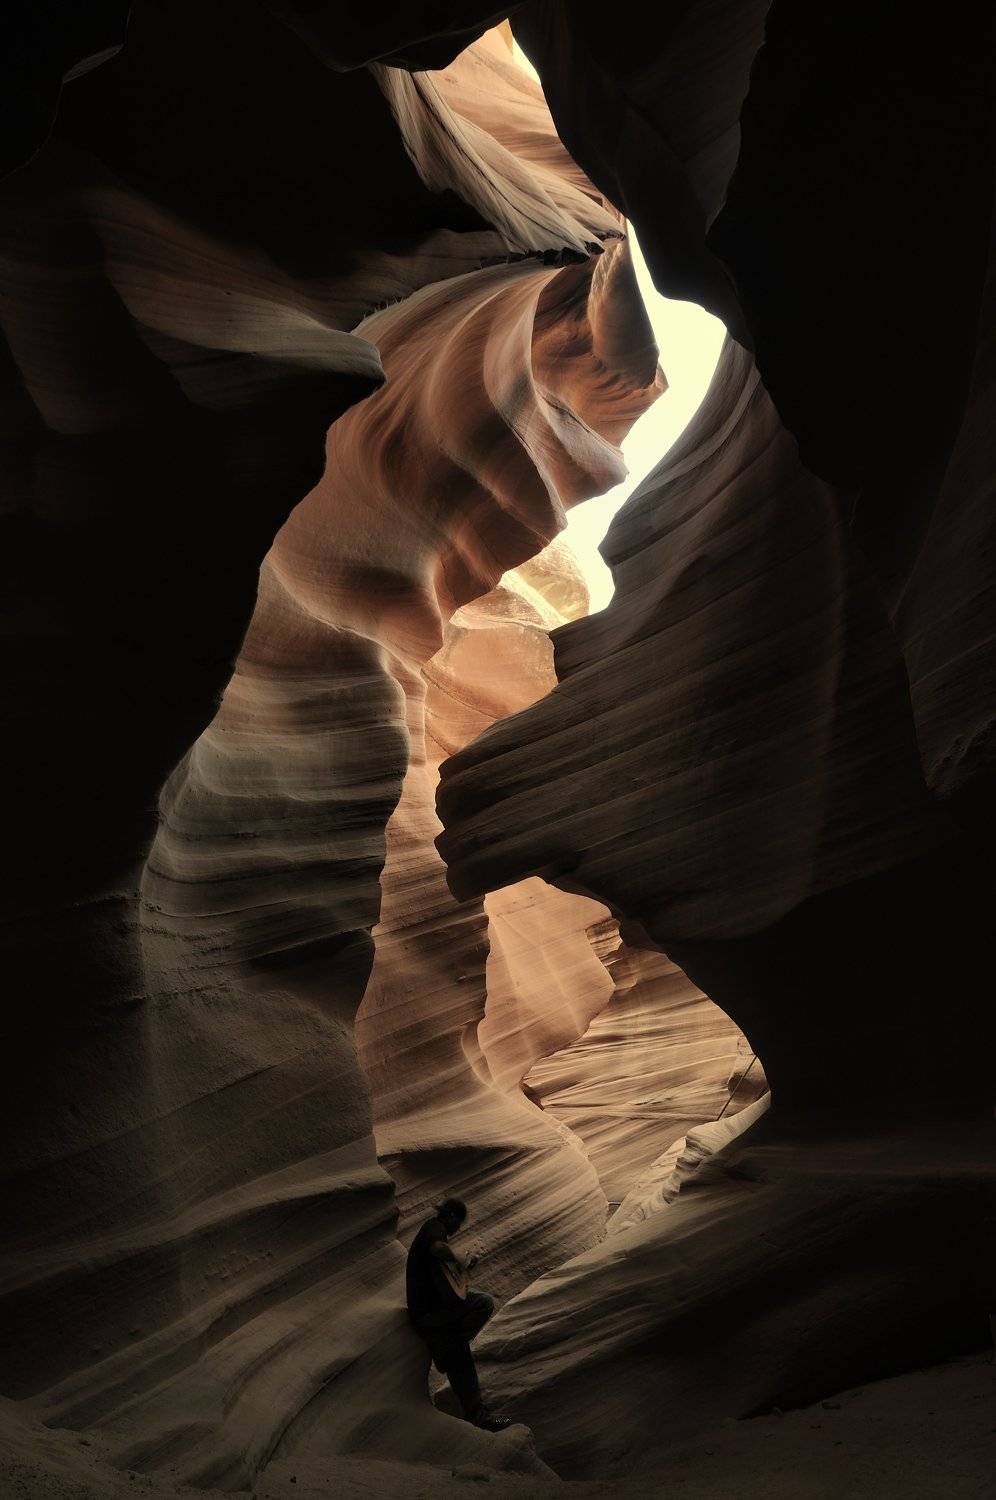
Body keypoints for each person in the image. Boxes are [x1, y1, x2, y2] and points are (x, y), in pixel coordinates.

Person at [406, 1196, 512, 1431]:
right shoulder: (434, 1227)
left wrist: (463, 1270)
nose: (457, 1229)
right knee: (484, 1303)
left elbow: (447, 1281)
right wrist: (459, 1260)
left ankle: (476, 1413)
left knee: (459, 1354)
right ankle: (477, 1413)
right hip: (430, 1312)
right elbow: (437, 1248)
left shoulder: (434, 1234)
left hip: (434, 1311)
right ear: (451, 1216)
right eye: (458, 1223)